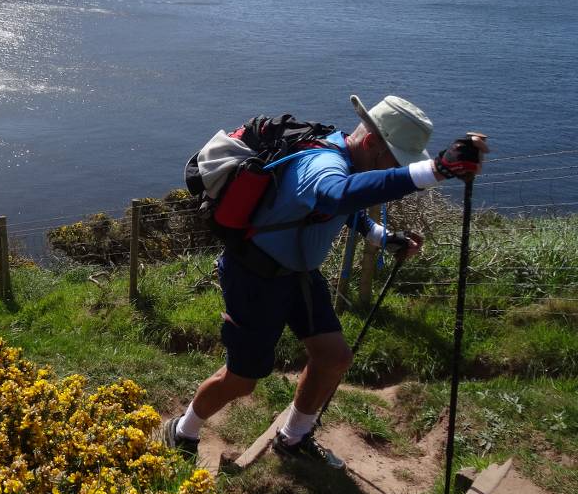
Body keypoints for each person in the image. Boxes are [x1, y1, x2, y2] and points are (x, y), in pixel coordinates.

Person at [163, 95, 489, 468]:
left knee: (334, 358)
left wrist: (382, 237)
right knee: (242, 379)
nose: (395, 170)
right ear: (370, 144)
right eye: (394, 161)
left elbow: (336, 207)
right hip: (254, 278)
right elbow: (336, 195)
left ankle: (293, 438)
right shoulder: (323, 163)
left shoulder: (345, 155)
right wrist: (437, 169)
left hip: (299, 274)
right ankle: (183, 430)